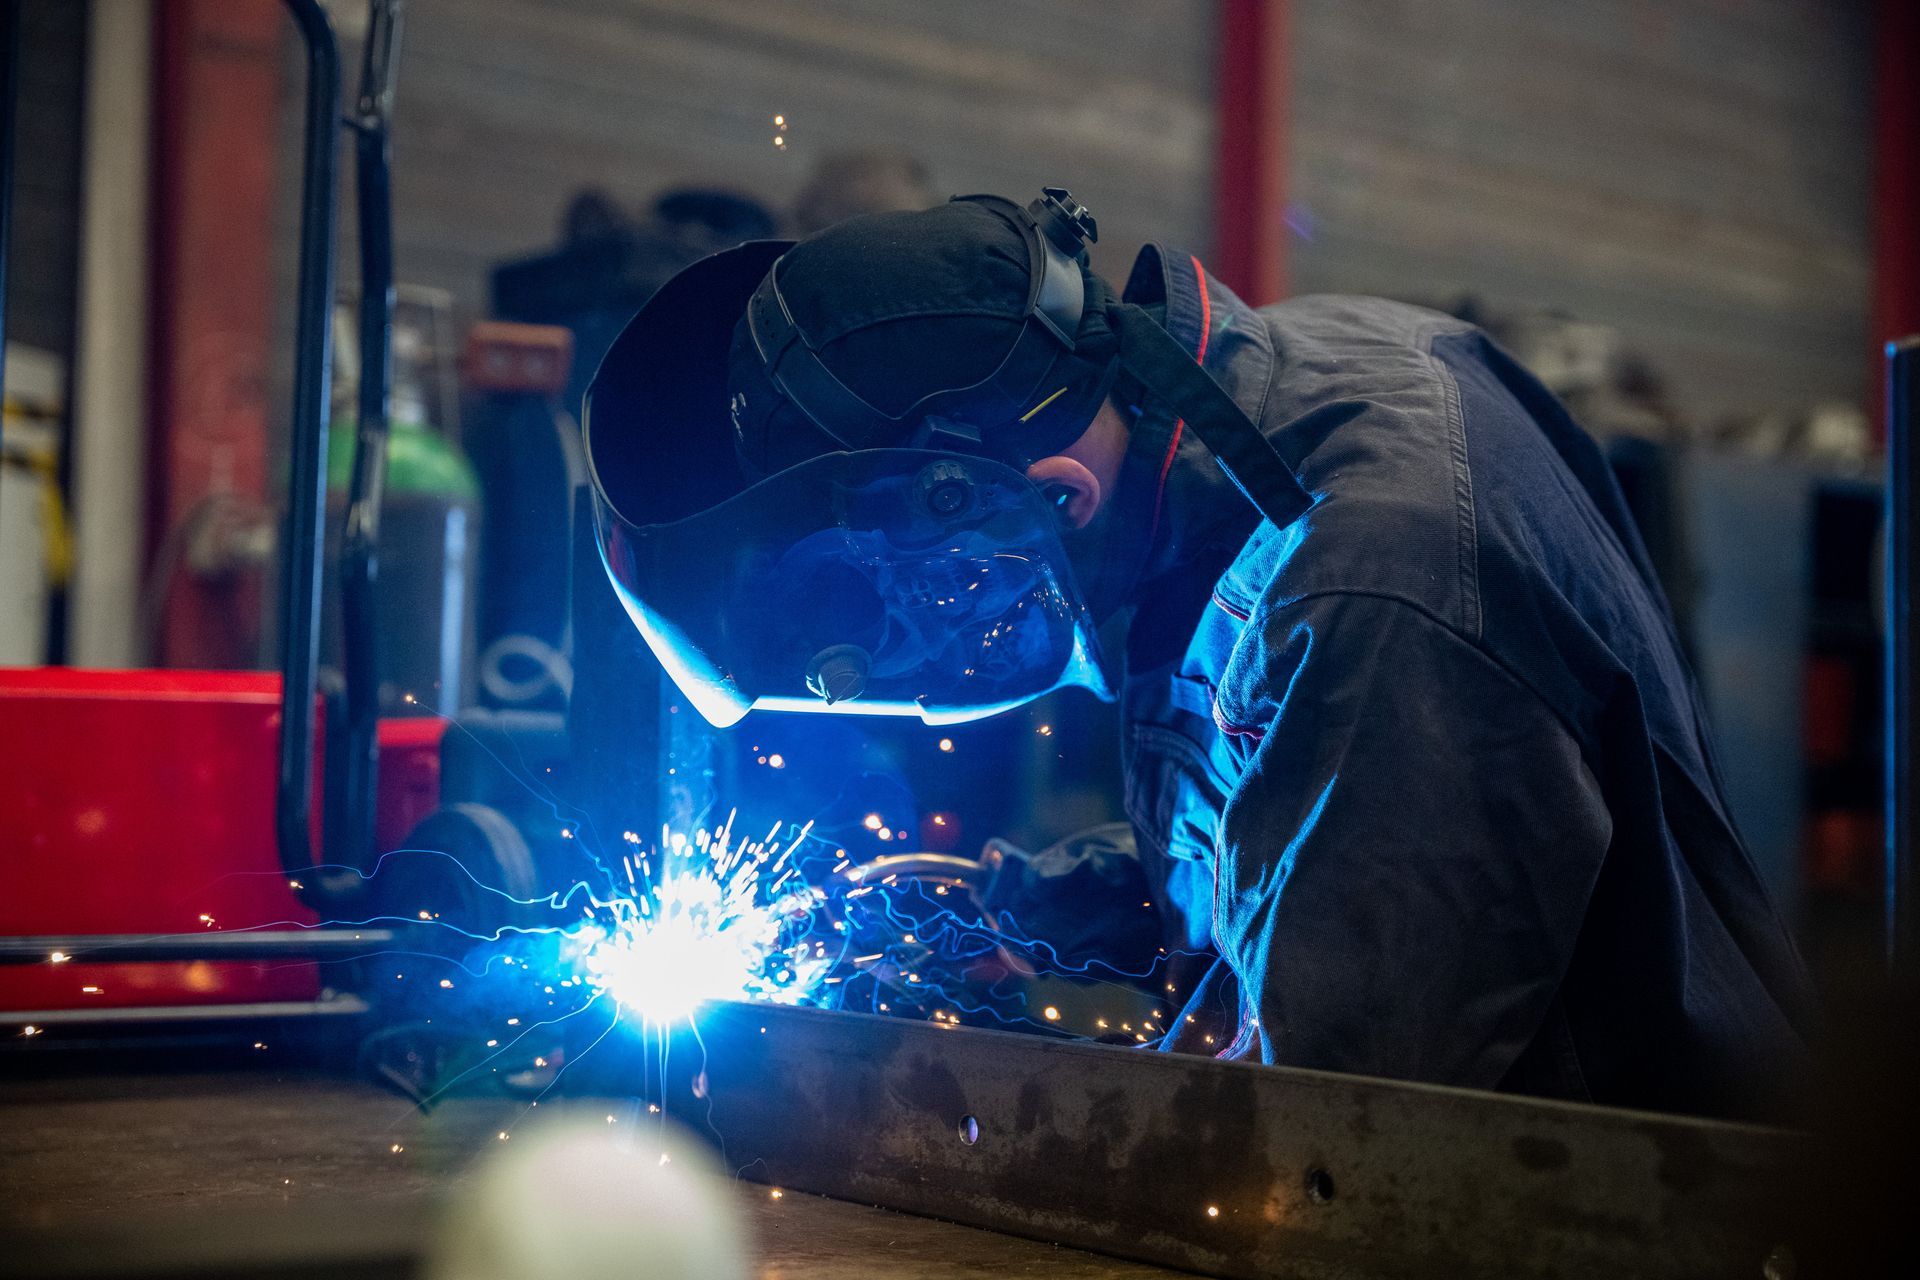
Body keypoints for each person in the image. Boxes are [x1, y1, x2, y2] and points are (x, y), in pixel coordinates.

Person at [581, 188, 1816, 1118]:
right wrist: (1036, 899)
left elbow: (1318, 1146)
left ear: (1047, 499)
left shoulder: (1369, 585)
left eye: (912, 606)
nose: (923, 658)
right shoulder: (1225, 430)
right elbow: (1316, 817)